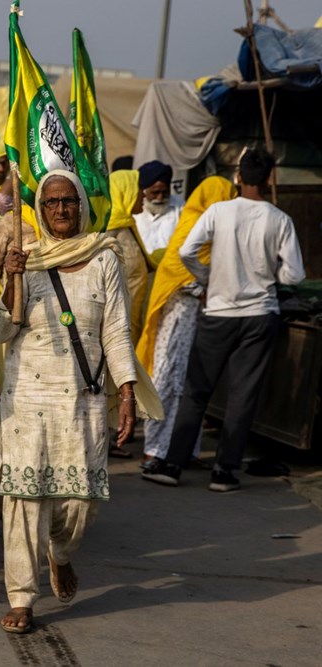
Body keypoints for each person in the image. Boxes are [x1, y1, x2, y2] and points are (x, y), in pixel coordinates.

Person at [0, 170, 150, 634]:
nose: (62, 210)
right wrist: (10, 281)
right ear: (39, 210)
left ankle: (60, 555)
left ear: (82, 206)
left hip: (82, 396)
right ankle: (21, 597)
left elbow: (117, 331)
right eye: (52, 202)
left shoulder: (104, 257)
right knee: (23, 499)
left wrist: (127, 393)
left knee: (79, 502)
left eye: (70, 202)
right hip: (27, 395)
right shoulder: (26, 258)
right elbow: (0, 331)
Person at [142, 149, 304, 492]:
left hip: (218, 312)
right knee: (243, 394)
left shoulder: (218, 211)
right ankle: (224, 472)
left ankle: (172, 465)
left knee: (196, 390)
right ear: (270, 178)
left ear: (238, 177)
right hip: (260, 315)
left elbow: (186, 251)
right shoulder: (279, 219)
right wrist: (270, 272)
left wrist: (208, 277)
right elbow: (294, 274)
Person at [136, 176, 237, 465]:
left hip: (196, 317)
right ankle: (154, 449)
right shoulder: (196, 223)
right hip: (177, 315)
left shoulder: (208, 223)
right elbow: (177, 266)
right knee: (167, 379)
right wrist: (202, 287)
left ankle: (183, 449)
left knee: (189, 382)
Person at [105, 169, 152, 345]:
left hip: (134, 315)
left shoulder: (126, 225)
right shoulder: (110, 228)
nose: (143, 194)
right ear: (126, 190)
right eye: (138, 188)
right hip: (118, 321)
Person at [133, 160, 184, 256]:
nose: (160, 198)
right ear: (143, 190)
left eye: (165, 192)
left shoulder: (180, 206)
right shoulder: (134, 208)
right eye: (155, 192)